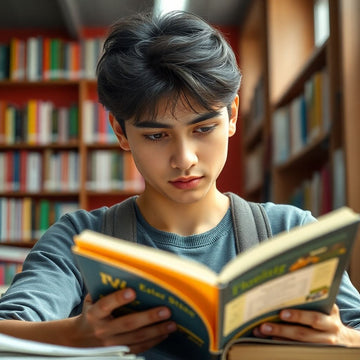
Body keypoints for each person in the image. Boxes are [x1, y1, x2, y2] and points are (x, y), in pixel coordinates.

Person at [0, 10, 360, 360]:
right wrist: (72, 336)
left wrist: (343, 339)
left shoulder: (291, 233)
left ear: (232, 115)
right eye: (156, 135)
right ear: (121, 132)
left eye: (203, 129)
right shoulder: (78, 241)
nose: (184, 158)